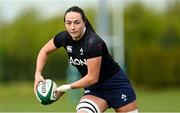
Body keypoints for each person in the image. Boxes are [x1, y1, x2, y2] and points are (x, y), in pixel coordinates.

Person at [34, 6, 138, 113]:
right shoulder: (63, 38)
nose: (72, 27)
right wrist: (38, 74)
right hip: (94, 89)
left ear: (84, 22)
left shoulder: (93, 42)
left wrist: (67, 87)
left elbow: (92, 77)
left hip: (116, 85)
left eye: (77, 22)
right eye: (68, 23)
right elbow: (44, 51)